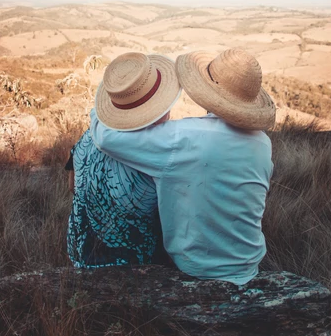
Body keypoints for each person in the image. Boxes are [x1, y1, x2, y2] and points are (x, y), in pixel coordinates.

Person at [90, 47, 276, 285]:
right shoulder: (263, 143)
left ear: (207, 89)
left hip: (197, 267)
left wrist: (102, 107)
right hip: (249, 265)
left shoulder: (183, 137)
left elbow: (106, 138)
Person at [66, 52, 181, 268]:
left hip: (80, 255)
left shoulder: (86, 138)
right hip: (138, 265)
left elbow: (71, 185)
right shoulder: (159, 151)